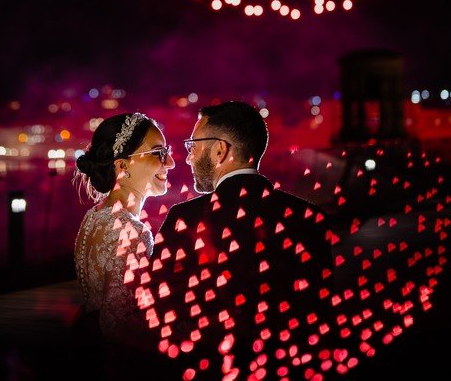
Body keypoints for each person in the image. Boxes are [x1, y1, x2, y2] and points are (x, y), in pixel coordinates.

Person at [145, 101, 334, 377]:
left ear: (220, 150)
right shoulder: (309, 217)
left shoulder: (184, 219)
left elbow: (155, 310)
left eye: (193, 146)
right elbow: (320, 315)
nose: (188, 158)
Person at [73, 111, 175, 349]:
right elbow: (119, 326)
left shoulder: (93, 218)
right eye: (158, 153)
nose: (170, 162)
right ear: (122, 165)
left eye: (167, 152)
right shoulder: (132, 231)